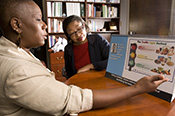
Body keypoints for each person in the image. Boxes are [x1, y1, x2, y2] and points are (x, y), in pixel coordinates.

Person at [0, 0, 169, 116]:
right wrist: (137, 88)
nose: (45, 25)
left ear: (85, 27)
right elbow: (72, 86)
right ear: (16, 25)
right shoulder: (19, 69)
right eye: (39, 19)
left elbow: (114, 60)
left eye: (80, 29)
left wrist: (91, 66)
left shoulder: (98, 40)